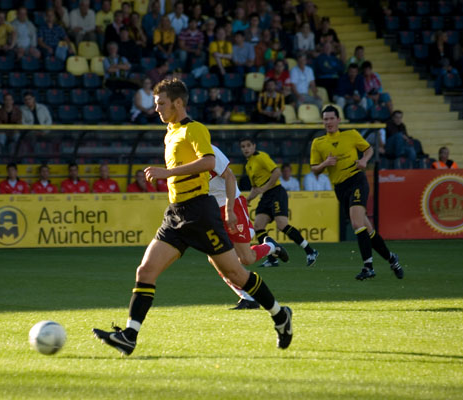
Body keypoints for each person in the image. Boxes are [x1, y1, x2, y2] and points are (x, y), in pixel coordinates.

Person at [93, 78, 293, 356]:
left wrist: (167, 173)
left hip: (200, 213)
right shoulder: (170, 132)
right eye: (156, 104)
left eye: (161, 103)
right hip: (175, 214)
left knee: (237, 272)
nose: (157, 109)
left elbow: (209, 161)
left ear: (177, 103)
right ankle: (129, 335)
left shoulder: (194, 128)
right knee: (145, 271)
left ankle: (280, 315)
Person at [310, 105, 403, 280]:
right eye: (325, 119)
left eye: (331, 118)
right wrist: (325, 164)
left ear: (339, 120)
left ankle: (368, 267)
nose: (328, 122)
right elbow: (314, 169)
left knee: (356, 223)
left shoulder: (351, 135)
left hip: (356, 180)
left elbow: (369, 149)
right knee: (368, 230)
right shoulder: (318, 143)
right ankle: (392, 259)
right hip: (340, 188)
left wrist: (364, 160)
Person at [210, 144, 289, 309]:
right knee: (215, 258)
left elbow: (230, 177)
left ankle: (270, 247)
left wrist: (230, 209)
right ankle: (247, 298)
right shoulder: (182, 156)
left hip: (231, 205)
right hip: (211, 210)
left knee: (246, 258)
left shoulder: (208, 151)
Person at [240, 136, 319, 267]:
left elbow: (276, 172)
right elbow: (255, 188)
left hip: (276, 192)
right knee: (258, 226)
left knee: (282, 225)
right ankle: (272, 259)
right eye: (243, 147)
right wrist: (248, 199)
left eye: (248, 145)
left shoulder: (261, 156)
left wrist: (265, 188)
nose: (246, 149)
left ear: (254, 146)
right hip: (266, 196)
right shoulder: (248, 165)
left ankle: (310, 251)